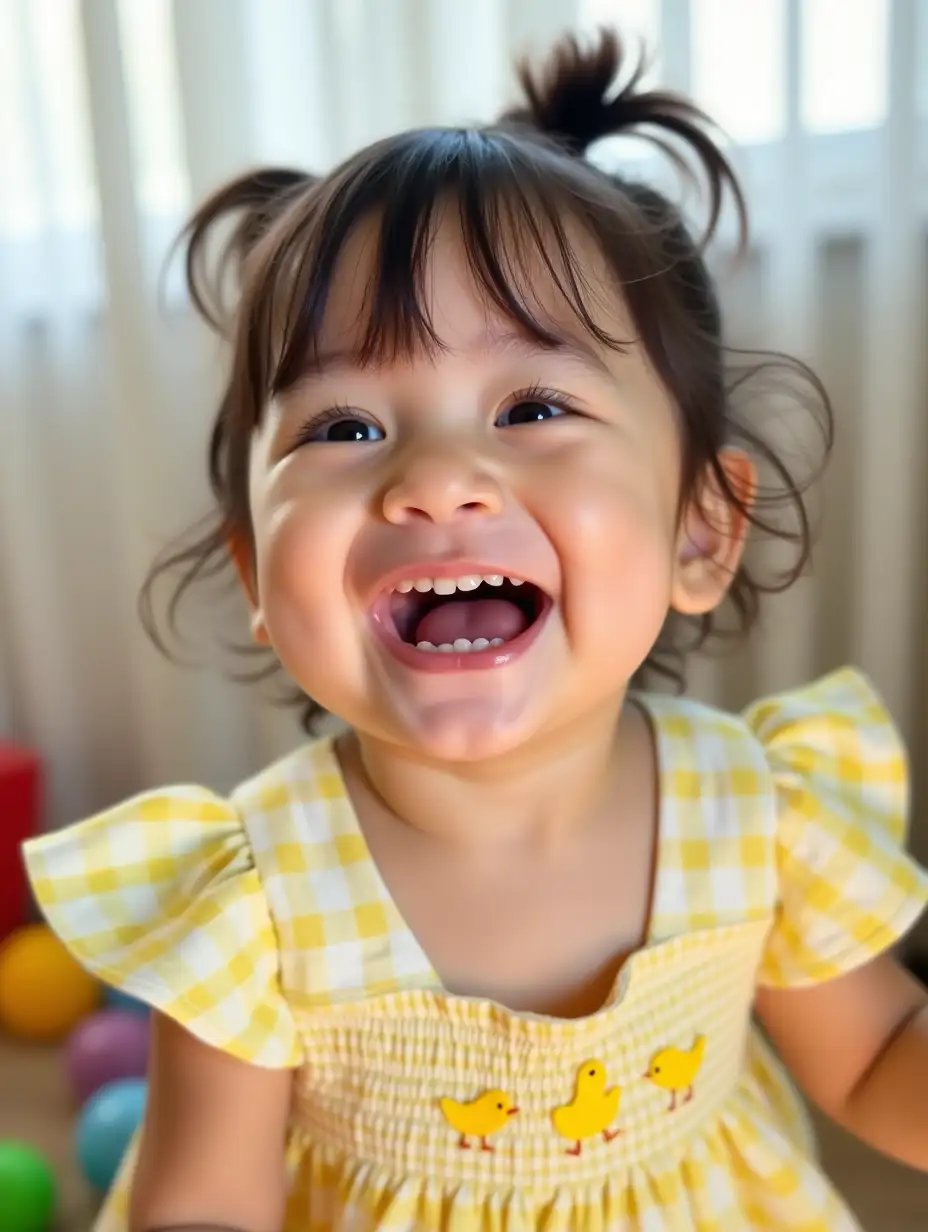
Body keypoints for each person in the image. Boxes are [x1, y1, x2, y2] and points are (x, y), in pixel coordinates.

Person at [22, 29, 928, 1232]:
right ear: (253, 568)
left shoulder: (758, 808)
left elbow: (870, 1065)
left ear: (701, 529)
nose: (436, 479)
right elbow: (204, 1202)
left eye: (534, 405)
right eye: (342, 426)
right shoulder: (251, 898)